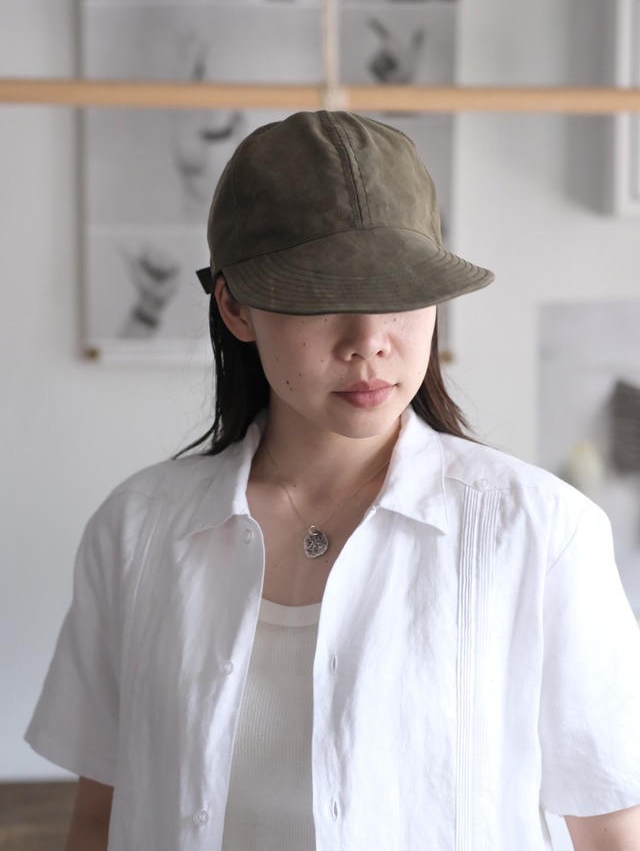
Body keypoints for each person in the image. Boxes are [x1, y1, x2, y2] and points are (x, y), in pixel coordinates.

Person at [26, 111, 640, 850]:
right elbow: (100, 817)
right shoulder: (138, 530)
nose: (369, 343)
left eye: (401, 293)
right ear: (234, 306)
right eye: (323, 295)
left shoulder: (542, 533)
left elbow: (612, 829)